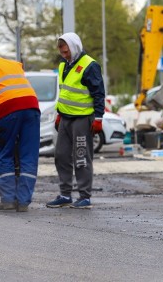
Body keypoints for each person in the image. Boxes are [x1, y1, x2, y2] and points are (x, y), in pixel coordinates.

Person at [0, 51, 40, 212]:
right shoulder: (13, 65)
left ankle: (8, 200)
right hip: (32, 108)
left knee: (5, 153)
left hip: (10, 111)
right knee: (29, 156)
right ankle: (23, 202)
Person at [46, 33, 105, 210]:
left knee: (81, 157)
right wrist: (58, 114)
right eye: (62, 51)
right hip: (65, 118)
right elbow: (64, 92)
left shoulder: (90, 65)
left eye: (66, 51)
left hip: (82, 118)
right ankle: (65, 194)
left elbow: (98, 93)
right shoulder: (64, 64)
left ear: (74, 47)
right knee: (61, 156)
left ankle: (84, 196)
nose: (64, 54)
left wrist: (99, 118)